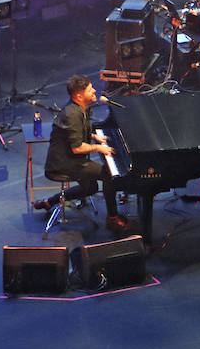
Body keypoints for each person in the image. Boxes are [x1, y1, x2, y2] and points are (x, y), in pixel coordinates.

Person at [34, 74, 131, 234]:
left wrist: (94, 136)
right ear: (79, 95)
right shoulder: (72, 114)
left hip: (70, 159)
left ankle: (49, 202)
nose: (94, 90)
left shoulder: (80, 108)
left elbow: (79, 131)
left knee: (91, 188)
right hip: (63, 164)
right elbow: (77, 148)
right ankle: (112, 219)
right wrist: (99, 148)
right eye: (90, 89)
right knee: (108, 174)